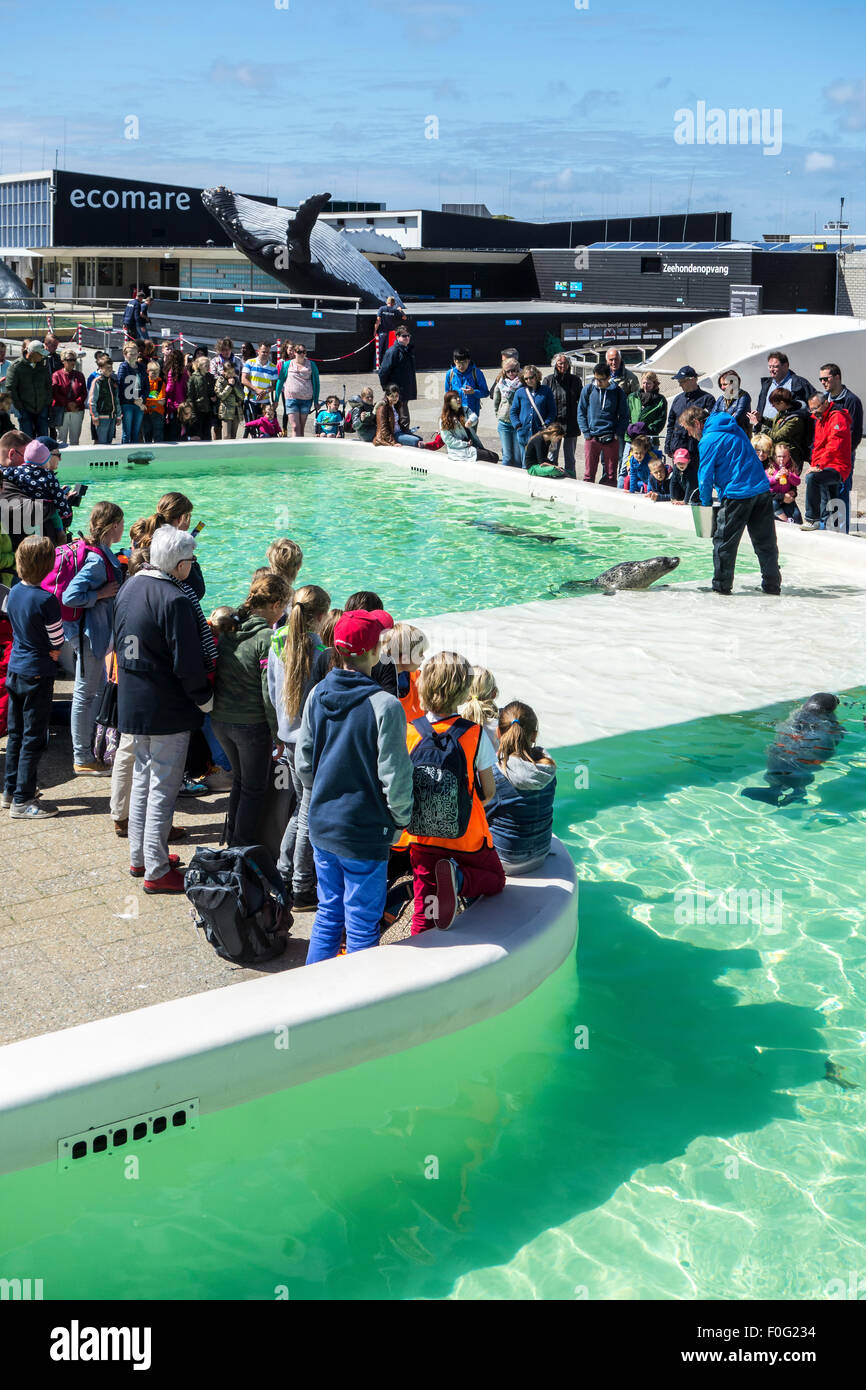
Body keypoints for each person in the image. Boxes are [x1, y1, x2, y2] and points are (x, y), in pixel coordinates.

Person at [295, 607, 414, 962]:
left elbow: (303, 764)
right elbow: (395, 777)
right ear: (375, 653)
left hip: (322, 826)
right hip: (365, 833)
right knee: (362, 923)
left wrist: (324, 799)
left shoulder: (317, 694)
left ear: (337, 649)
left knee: (329, 915)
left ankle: (313, 997)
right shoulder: (386, 705)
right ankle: (358, 1006)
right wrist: (400, 822)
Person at [113, 525, 213, 892]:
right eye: (191, 560)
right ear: (179, 563)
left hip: (133, 701)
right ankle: (156, 870)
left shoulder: (131, 586)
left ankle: (140, 857)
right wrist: (204, 697)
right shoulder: (175, 599)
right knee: (163, 786)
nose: (192, 565)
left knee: (143, 780)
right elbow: (187, 661)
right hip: (165, 706)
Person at [406, 650, 505, 933]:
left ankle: (419, 955)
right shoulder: (473, 734)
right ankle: (459, 880)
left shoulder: (410, 731)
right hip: (467, 835)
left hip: (421, 835)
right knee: (495, 879)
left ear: (422, 686)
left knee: (424, 908)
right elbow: (488, 791)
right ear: (463, 694)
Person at [211, 572, 286, 847]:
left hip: (220, 720)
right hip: (250, 725)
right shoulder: (266, 638)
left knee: (240, 781)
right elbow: (269, 693)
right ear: (276, 604)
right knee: (254, 788)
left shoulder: (230, 627)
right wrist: (278, 733)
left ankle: (231, 839)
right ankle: (242, 850)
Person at [268, 583, 332, 908]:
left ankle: (283, 871)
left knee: (300, 807)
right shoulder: (322, 654)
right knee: (308, 811)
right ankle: (302, 885)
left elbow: (270, 691)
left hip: (287, 738)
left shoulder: (276, 642)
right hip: (310, 743)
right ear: (320, 617)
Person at [683, 406, 781, 595]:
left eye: (689, 430)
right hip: (761, 490)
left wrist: (705, 505)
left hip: (737, 494)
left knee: (724, 544)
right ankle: (772, 585)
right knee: (765, 542)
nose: (690, 435)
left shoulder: (708, 440)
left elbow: (705, 477)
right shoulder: (734, 428)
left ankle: (721, 587)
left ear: (696, 423)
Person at [59, 501, 125, 775]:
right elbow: (70, 596)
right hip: (89, 635)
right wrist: (101, 594)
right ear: (112, 526)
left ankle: (90, 750)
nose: (123, 527)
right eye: (121, 523)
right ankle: (81, 756)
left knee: (93, 691)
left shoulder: (101, 551)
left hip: (93, 634)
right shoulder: (97, 559)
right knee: (84, 695)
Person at [2, 535, 65, 819]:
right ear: (48, 565)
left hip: (15, 669)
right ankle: (23, 800)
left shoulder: (13, 590)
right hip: (38, 672)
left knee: (15, 734)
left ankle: (10, 789)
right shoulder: (47, 599)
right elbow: (57, 638)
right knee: (33, 737)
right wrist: (55, 651)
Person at [485, 701, 556, 876]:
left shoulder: (495, 773)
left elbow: (480, 816)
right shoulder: (548, 770)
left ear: (498, 732)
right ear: (534, 735)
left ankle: (462, 879)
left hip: (504, 858)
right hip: (542, 851)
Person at [818, 362, 863, 533]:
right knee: (824, 492)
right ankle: (824, 528)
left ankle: (841, 532)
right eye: (820, 379)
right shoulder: (823, 401)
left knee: (841, 492)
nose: (823, 382)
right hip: (824, 457)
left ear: (837, 377)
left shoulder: (851, 401)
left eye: (826, 378)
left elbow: (855, 434)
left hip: (841, 458)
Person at [1, 438, 72, 541]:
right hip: (41, 525)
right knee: (56, 516)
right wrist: (66, 511)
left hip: (33, 533)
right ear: (46, 460)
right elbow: (58, 498)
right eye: (58, 455)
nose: (60, 459)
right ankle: (60, 533)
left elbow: (4, 472)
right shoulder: (50, 477)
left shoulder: (17, 471)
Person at [801, 392, 852, 531]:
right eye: (810, 409)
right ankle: (833, 529)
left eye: (815, 408)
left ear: (825, 404)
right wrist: (815, 465)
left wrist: (818, 465)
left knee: (813, 479)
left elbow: (834, 445)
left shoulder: (837, 417)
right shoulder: (820, 418)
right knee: (830, 500)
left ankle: (812, 519)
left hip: (837, 467)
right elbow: (818, 446)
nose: (813, 412)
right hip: (825, 465)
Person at [577, 363, 628, 485]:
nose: (598, 382)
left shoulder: (617, 392)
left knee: (611, 476)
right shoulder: (588, 390)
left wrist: (617, 433)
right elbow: (581, 412)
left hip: (611, 438)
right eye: (596, 379)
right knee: (589, 474)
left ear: (609, 377)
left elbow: (624, 415)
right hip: (592, 438)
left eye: (602, 379)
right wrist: (586, 432)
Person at [664, 365, 715, 468]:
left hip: (697, 450)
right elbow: (671, 424)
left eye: (682, 381)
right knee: (677, 482)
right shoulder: (678, 399)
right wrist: (668, 446)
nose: (680, 385)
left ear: (692, 380)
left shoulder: (707, 399)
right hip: (678, 449)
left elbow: (711, 426)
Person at [750, 350, 814, 430]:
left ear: (786, 365)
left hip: (787, 435)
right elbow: (760, 407)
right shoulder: (766, 385)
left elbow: (814, 406)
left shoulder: (800, 383)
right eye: (769, 367)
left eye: (775, 366)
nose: (771, 370)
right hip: (765, 434)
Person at [543, 354, 581, 476]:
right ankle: (551, 476)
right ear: (555, 364)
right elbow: (543, 403)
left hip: (571, 422)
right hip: (554, 424)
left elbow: (581, 401)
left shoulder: (576, 380)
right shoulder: (548, 380)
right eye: (560, 363)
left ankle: (571, 478)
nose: (563, 366)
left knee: (570, 457)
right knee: (552, 455)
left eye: (565, 363)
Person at [510, 365, 556, 463]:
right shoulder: (520, 392)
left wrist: (546, 425)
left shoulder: (546, 390)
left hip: (540, 433)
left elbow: (552, 411)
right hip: (524, 433)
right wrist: (518, 426)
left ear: (536, 376)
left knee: (540, 461)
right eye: (526, 378)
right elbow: (513, 411)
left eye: (531, 377)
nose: (528, 380)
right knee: (525, 462)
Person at [7, 341, 52, 437]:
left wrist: (46, 403)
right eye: (40, 354)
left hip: (42, 408)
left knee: (43, 440)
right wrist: (20, 408)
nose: (42, 356)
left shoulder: (43, 365)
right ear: (32, 353)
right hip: (24, 410)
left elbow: (48, 385)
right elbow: (11, 389)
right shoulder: (16, 367)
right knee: (27, 441)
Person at [439, 392, 497, 462]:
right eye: (455, 398)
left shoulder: (465, 410)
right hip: (458, 450)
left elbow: (474, 416)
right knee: (493, 457)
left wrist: (471, 421)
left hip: (471, 446)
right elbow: (449, 440)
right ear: (449, 402)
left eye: (459, 397)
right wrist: (466, 444)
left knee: (494, 456)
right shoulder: (444, 419)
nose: (458, 399)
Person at [275, 342, 317, 437]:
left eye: (304, 352)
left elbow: (316, 383)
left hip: (306, 399)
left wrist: (316, 400)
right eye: (299, 351)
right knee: (295, 427)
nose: (301, 354)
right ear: (294, 352)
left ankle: (300, 450)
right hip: (291, 399)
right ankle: (295, 448)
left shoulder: (311, 365)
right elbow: (280, 381)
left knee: (301, 427)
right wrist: (276, 399)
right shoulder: (287, 364)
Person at [762, 388, 807, 466]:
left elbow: (777, 436)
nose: (773, 406)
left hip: (789, 457)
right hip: (779, 452)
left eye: (774, 404)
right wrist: (761, 419)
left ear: (782, 403)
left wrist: (761, 427)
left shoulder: (795, 420)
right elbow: (776, 423)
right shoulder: (783, 412)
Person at [491, 357, 522, 467]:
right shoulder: (500, 382)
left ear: (518, 370)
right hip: (504, 422)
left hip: (518, 423)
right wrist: (498, 414)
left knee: (518, 457)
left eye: (513, 370)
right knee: (507, 456)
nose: (511, 373)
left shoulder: (523, 383)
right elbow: (496, 401)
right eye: (508, 371)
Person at [444, 348, 488, 424]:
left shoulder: (477, 373)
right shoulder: (450, 374)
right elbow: (447, 394)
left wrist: (474, 392)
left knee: (470, 436)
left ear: (469, 360)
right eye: (458, 363)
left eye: (464, 362)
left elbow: (485, 392)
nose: (461, 366)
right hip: (455, 413)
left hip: (471, 415)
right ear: (454, 361)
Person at [52, 350, 87, 446]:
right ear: (63, 361)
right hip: (62, 410)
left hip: (77, 410)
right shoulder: (56, 375)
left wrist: (76, 403)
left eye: (74, 360)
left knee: (75, 440)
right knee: (61, 440)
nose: (72, 362)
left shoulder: (80, 375)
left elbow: (84, 393)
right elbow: (55, 393)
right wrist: (68, 404)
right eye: (69, 360)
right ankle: (60, 460)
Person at [242, 342, 279, 430]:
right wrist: (256, 389)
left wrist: (264, 391)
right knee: (250, 428)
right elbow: (243, 379)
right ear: (258, 351)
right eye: (263, 352)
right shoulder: (250, 362)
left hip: (265, 402)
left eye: (267, 352)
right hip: (250, 400)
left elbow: (274, 386)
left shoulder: (273, 367)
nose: (265, 354)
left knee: (264, 428)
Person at [116, 341, 147, 444]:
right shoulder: (123, 367)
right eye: (131, 353)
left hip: (139, 403)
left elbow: (146, 386)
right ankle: (124, 455)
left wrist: (142, 399)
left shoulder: (142, 367)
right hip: (127, 404)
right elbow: (122, 387)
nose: (133, 356)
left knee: (136, 432)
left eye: (135, 353)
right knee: (127, 433)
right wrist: (135, 400)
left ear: (138, 353)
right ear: (125, 354)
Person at [378, 326, 417, 403]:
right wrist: (387, 388)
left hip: (405, 392)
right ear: (397, 336)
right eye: (404, 336)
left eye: (408, 335)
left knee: (402, 413)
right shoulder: (392, 352)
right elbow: (383, 372)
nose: (407, 338)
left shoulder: (408, 350)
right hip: (395, 392)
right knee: (399, 414)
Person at [88, 356, 120, 444]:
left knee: (109, 442)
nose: (110, 370)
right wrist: (94, 416)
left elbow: (116, 400)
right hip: (101, 417)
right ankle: (99, 458)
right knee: (102, 443)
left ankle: (108, 458)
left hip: (112, 417)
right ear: (101, 368)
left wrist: (118, 416)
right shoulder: (97, 382)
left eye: (111, 367)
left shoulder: (113, 381)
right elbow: (91, 401)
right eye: (107, 368)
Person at [711, 369, 752, 437]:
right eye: (721, 385)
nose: (722, 387)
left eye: (725, 384)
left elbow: (736, 420)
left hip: (739, 436)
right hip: (723, 435)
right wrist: (729, 417)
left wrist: (720, 417)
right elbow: (712, 417)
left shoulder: (743, 397)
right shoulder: (721, 399)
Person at [186, 355, 217, 441]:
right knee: (197, 434)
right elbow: (190, 394)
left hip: (208, 409)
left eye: (208, 365)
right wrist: (191, 408)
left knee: (207, 434)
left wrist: (213, 396)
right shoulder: (193, 378)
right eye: (206, 365)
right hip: (197, 410)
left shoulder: (210, 377)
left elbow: (212, 391)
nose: (208, 367)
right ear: (199, 366)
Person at [625, 426, 663, 494]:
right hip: (642, 478)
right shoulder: (632, 460)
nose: (639, 455)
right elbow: (633, 475)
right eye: (636, 453)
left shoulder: (649, 460)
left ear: (645, 451)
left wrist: (649, 492)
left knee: (646, 486)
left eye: (641, 453)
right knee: (627, 479)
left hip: (652, 480)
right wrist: (631, 490)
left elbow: (650, 477)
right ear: (632, 452)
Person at [164, 349, 189, 443]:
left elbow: (169, 389)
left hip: (173, 405)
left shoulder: (172, 372)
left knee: (173, 430)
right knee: (182, 429)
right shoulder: (185, 371)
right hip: (183, 405)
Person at [215, 363, 244, 439]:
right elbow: (221, 396)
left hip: (236, 411)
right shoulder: (220, 380)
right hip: (226, 411)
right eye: (229, 372)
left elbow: (242, 395)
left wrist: (234, 386)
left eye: (233, 372)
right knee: (227, 436)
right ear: (224, 372)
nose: (231, 375)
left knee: (233, 436)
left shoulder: (236, 380)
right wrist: (230, 386)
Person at [374, 295, 408, 360]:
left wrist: (375, 331)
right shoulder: (395, 310)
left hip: (382, 332)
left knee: (378, 350)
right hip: (391, 333)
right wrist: (401, 310)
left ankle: (376, 366)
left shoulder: (382, 308)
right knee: (390, 350)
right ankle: (388, 365)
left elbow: (378, 320)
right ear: (393, 303)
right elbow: (404, 317)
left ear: (387, 302)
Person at [142, 361, 166, 443]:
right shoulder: (144, 383)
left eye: (157, 372)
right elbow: (143, 399)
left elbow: (162, 400)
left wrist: (149, 401)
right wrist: (154, 401)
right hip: (146, 412)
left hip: (158, 413)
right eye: (153, 372)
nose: (155, 374)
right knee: (146, 434)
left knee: (158, 434)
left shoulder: (161, 383)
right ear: (148, 371)